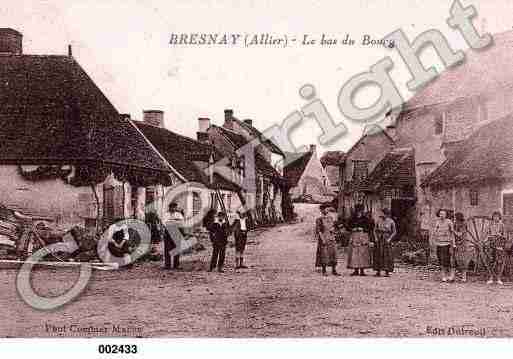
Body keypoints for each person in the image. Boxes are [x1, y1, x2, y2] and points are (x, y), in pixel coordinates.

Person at [314, 204, 340, 276]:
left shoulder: (331, 218)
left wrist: (334, 231)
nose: (326, 210)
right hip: (324, 237)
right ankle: (324, 270)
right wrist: (322, 239)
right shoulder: (319, 219)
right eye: (325, 209)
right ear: (321, 210)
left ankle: (334, 270)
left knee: (333, 253)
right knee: (324, 254)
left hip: (331, 238)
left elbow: (334, 227)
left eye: (327, 209)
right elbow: (318, 231)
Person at [347, 204, 372, 276]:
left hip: (363, 236)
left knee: (362, 252)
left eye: (360, 211)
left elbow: (370, 227)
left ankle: (362, 270)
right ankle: (355, 270)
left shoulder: (366, 219)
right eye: (357, 211)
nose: (358, 212)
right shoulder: (352, 218)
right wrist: (352, 229)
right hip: (354, 236)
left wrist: (363, 229)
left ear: (362, 211)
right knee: (355, 253)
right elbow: (347, 226)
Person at [432, 209, 455, 282]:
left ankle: (448, 275)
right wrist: (434, 238)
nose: (442, 215)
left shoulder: (449, 222)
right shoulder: (437, 222)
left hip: (446, 244)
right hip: (439, 243)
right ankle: (443, 276)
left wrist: (453, 243)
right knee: (440, 260)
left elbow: (452, 233)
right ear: (439, 215)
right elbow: (435, 232)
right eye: (440, 214)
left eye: (443, 214)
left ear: (446, 215)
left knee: (446, 260)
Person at [373, 208, 396, 277]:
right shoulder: (378, 221)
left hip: (387, 240)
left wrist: (390, 239)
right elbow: (374, 230)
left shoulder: (391, 221)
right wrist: (376, 238)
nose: (381, 214)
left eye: (383, 213)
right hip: (379, 239)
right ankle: (378, 271)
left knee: (387, 255)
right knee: (378, 254)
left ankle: (387, 271)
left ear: (386, 214)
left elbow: (394, 232)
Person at [484, 211, 506, 285]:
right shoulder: (490, 225)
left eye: (497, 216)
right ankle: (491, 278)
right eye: (494, 216)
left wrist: (501, 236)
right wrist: (487, 239)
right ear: (492, 217)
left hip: (499, 244)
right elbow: (486, 234)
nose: (495, 218)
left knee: (499, 262)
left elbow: (505, 236)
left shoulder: (502, 225)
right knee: (491, 260)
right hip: (491, 244)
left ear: (499, 217)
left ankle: (498, 278)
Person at [163, 202, 186, 270]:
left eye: (174, 207)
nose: (173, 208)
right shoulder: (166, 214)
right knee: (167, 249)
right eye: (172, 207)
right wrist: (175, 221)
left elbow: (181, 223)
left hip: (176, 232)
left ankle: (176, 265)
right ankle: (168, 265)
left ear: (176, 208)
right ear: (169, 208)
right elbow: (165, 223)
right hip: (168, 232)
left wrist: (171, 221)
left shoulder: (178, 214)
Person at [453, 212, 473, 283]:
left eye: (456, 217)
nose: (455, 219)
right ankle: (460, 275)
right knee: (458, 259)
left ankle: (464, 277)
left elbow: (460, 234)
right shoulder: (455, 224)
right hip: (457, 244)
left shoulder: (463, 224)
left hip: (463, 244)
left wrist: (453, 231)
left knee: (463, 260)